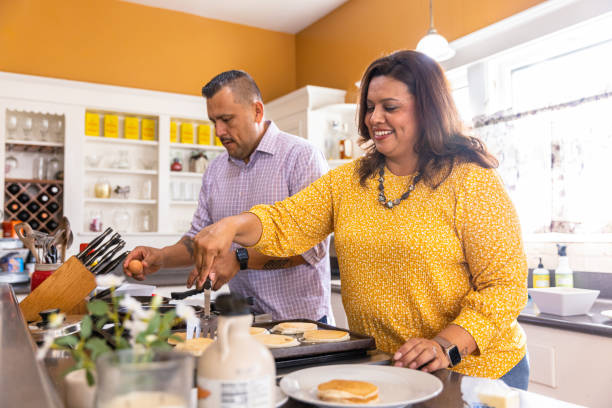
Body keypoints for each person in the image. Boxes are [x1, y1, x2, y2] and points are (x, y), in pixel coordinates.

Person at [188, 51, 530, 389]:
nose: (374, 118)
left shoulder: (470, 179)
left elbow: (504, 286)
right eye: (369, 107)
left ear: (428, 109)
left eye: (389, 107)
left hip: (475, 372)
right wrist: (231, 226)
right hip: (391, 366)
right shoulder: (348, 181)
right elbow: (287, 220)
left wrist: (445, 344)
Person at [123, 70, 332, 322]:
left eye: (226, 119)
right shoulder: (215, 170)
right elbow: (199, 238)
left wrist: (239, 259)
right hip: (243, 321)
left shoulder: (301, 157)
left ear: (257, 111)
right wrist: (161, 256)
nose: (219, 131)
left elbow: (312, 248)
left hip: (302, 323)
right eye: (213, 121)